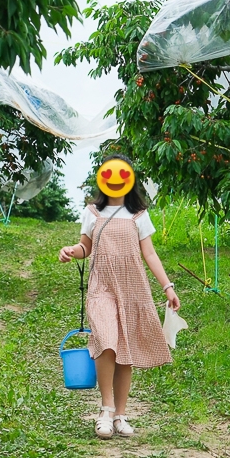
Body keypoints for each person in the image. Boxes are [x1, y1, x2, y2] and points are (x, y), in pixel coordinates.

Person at [58, 155, 180, 439]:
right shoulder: (92, 212)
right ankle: (106, 410)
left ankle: (121, 415)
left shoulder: (139, 215)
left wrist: (168, 287)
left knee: (125, 350)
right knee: (106, 341)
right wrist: (71, 251)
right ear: (102, 178)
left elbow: (149, 253)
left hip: (132, 288)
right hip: (102, 287)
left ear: (130, 178)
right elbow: (85, 247)